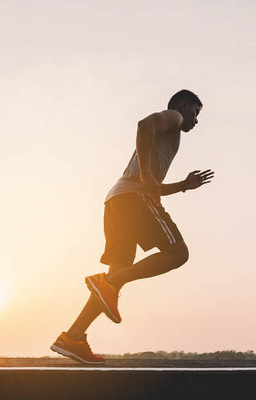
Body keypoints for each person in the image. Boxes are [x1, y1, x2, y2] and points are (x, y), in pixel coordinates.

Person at [50, 89, 213, 364]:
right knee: (178, 254)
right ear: (184, 106)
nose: (196, 121)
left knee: (113, 282)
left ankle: (73, 337)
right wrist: (148, 173)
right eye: (196, 113)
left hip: (118, 200)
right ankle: (109, 283)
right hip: (133, 200)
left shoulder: (165, 142)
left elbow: (153, 189)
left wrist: (183, 186)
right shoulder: (173, 117)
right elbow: (144, 125)